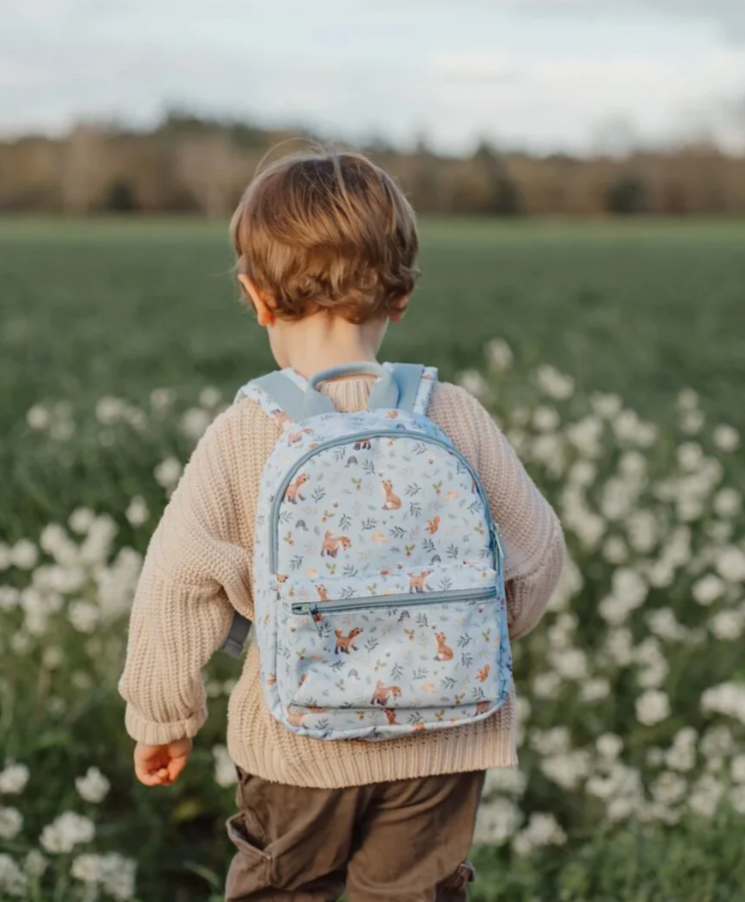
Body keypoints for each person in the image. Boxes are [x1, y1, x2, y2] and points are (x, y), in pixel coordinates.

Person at [118, 149, 565, 901]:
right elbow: (537, 553)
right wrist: (461, 634)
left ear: (256, 297)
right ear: (402, 295)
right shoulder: (452, 414)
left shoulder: (247, 432)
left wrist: (162, 715)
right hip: (444, 739)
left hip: (297, 742)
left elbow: (177, 580)